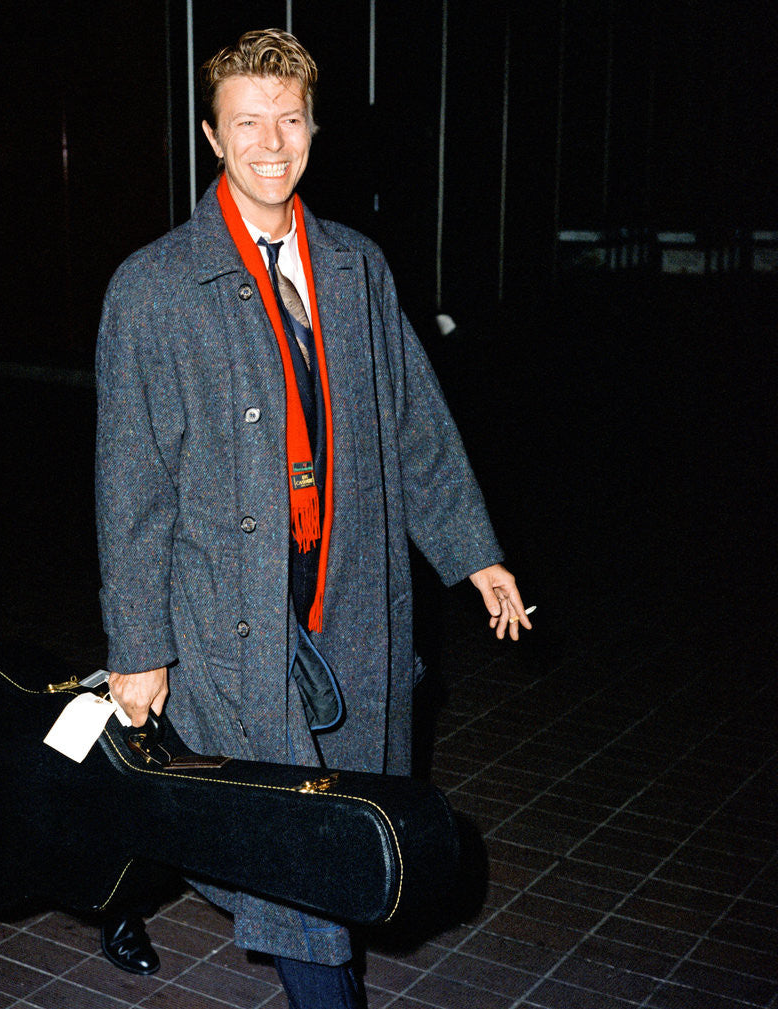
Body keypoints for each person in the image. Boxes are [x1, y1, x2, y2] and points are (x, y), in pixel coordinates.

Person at [95, 28, 531, 1008]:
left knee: (261, 800)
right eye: (246, 122)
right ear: (212, 136)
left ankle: (117, 879)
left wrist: (475, 556)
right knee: (301, 848)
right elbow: (132, 488)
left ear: (313, 129)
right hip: (227, 607)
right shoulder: (154, 288)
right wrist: (140, 646)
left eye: (288, 120)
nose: (270, 142)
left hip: (344, 596)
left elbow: (412, 423)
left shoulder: (355, 270)